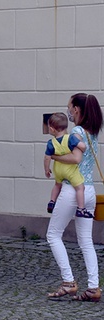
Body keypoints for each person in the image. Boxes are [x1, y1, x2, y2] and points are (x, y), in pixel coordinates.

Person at [47, 93, 103, 303]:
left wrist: (53, 156)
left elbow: (76, 157)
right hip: (88, 190)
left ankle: (68, 281)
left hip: (72, 189)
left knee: (53, 235)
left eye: (70, 107)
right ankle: (93, 287)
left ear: (77, 109)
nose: (68, 111)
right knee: (86, 241)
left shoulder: (78, 131)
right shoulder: (93, 132)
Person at [44, 112, 91, 218]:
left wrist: (47, 170)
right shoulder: (70, 138)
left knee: (57, 185)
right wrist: (83, 148)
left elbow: (47, 158)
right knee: (80, 188)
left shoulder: (51, 143)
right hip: (70, 170)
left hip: (58, 169)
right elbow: (82, 146)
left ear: (52, 129)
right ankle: (81, 208)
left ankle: (52, 201)